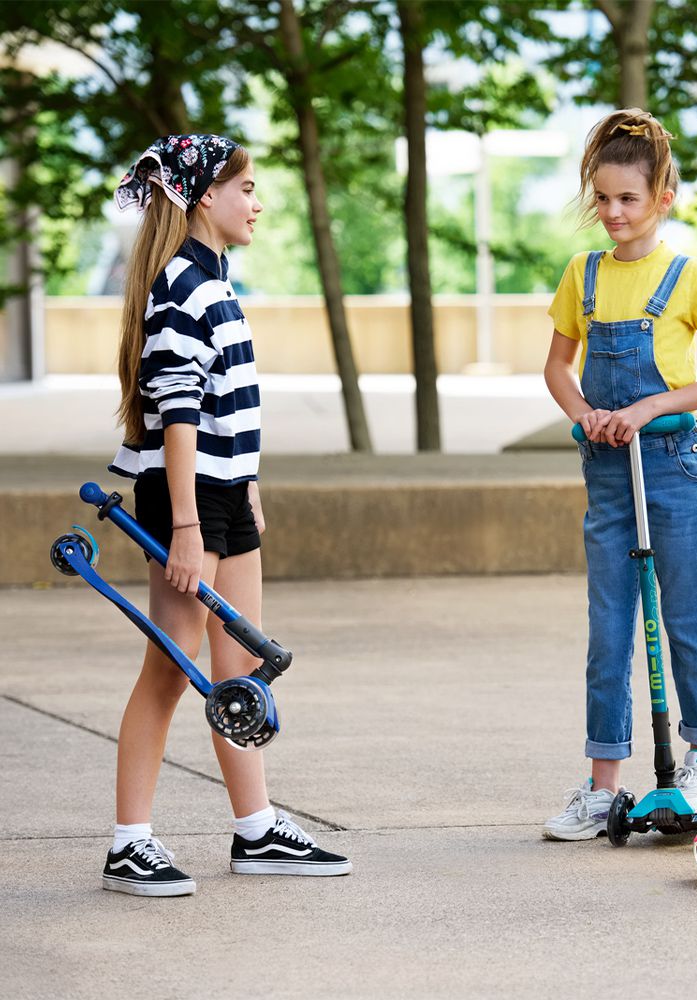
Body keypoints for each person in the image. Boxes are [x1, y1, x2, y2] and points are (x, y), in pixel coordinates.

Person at [102, 134, 351, 896]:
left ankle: (256, 829)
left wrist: (246, 484)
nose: (258, 204)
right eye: (246, 189)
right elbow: (177, 415)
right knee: (169, 668)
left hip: (224, 493)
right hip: (187, 501)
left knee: (238, 667)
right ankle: (129, 843)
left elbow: (223, 407)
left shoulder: (215, 281)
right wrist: (186, 525)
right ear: (205, 195)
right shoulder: (181, 286)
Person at [542, 109, 697, 840]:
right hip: (607, 471)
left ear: (663, 198)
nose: (613, 212)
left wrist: (651, 405)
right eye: (602, 198)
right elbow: (557, 368)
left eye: (628, 198)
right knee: (609, 632)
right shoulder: (583, 274)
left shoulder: (690, 278)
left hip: (672, 466)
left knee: (687, 619)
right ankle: (603, 788)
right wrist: (585, 413)